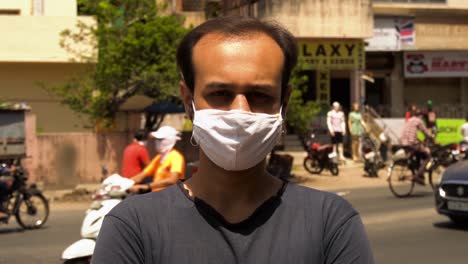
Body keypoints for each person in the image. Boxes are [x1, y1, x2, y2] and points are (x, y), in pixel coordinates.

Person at [92, 16, 374, 264]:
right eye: (220, 94)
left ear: (283, 104)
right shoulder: (133, 227)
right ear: (188, 101)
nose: (240, 112)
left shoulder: (330, 223)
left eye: (260, 95)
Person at [129, 126, 185, 193]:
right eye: (156, 140)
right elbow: (143, 175)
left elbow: (173, 179)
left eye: (160, 140)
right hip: (157, 195)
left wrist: (147, 186)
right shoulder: (159, 157)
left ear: (168, 140)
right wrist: (125, 183)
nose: (157, 142)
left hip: (171, 197)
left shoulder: (176, 157)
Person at [401, 108, 433, 185]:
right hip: (412, 144)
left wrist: (420, 140)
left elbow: (411, 134)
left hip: (404, 143)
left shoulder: (409, 120)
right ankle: (418, 175)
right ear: (421, 116)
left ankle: (418, 173)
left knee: (418, 153)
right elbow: (425, 132)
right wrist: (432, 138)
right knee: (427, 157)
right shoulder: (419, 121)